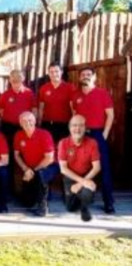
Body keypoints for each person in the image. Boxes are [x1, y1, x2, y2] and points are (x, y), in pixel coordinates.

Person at [71, 67, 115, 214]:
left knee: (103, 169)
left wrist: (105, 133)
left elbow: (110, 114)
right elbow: (74, 116)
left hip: (98, 134)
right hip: (81, 134)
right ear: (79, 78)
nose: (86, 77)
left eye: (89, 74)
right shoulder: (75, 96)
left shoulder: (102, 93)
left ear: (94, 77)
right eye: (83, 75)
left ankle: (108, 202)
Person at [0, 70, 37, 193]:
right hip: (8, 128)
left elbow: (34, 110)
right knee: (9, 155)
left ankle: (27, 185)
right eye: (13, 79)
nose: (16, 81)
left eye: (19, 79)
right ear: (10, 80)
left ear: (23, 79)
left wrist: (32, 126)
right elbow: (1, 112)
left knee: (24, 156)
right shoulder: (5, 94)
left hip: (25, 128)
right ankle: (9, 187)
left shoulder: (29, 93)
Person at [14, 112, 59, 217]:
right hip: (30, 168)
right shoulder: (18, 135)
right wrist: (25, 169)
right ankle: (36, 196)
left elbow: (49, 158)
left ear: (35, 121)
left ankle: (43, 206)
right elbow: (16, 155)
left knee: (41, 175)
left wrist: (33, 171)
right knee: (27, 202)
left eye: (30, 120)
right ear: (20, 123)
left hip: (49, 166)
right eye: (24, 121)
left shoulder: (44, 134)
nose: (27, 123)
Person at [58, 115, 101, 222]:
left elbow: (97, 167)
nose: (77, 129)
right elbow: (63, 169)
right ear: (69, 127)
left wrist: (81, 183)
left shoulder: (92, 143)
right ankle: (75, 196)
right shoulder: (63, 143)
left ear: (85, 128)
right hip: (70, 177)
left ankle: (84, 208)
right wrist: (81, 182)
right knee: (70, 208)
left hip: (87, 176)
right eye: (74, 125)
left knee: (88, 190)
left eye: (81, 125)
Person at [38, 63, 75, 143]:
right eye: (51, 72)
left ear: (61, 72)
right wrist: (39, 123)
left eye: (56, 71)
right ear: (48, 73)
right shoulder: (44, 88)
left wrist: (74, 124)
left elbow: (73, 109)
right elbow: (41, 108)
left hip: (64, 125)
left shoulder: (69, 88)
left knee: (62, 149)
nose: (54, 74)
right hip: (47, 124)